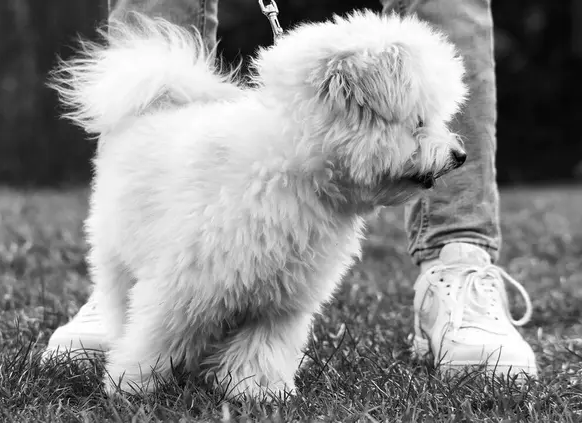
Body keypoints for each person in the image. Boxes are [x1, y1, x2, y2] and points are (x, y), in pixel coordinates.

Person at [43, 0, 538, 378]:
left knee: (281, 309)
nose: (451, 152)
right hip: (166, 181)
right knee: (181, 291)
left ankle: (458, 263)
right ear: (349, 104)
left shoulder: (334, 206)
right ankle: (123, 300)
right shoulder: (241, 177)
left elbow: (287, 309)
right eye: (418, 125)